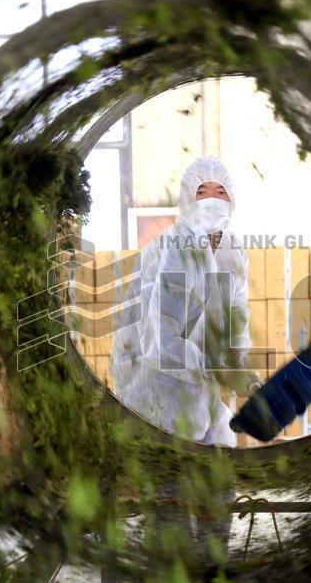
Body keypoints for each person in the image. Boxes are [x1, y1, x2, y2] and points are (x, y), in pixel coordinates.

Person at [110, 155, 262, 447]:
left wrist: (237, 361)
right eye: (201, 192)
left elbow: (233, 315)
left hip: (198, 388)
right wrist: (216, 369)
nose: (212, 200)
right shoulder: (174, 251)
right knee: (175, 475)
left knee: (223, 448)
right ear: (187, 200)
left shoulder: (231, 251)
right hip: (155, 388)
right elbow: (161, 343)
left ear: (232, 199)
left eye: (220, 192)